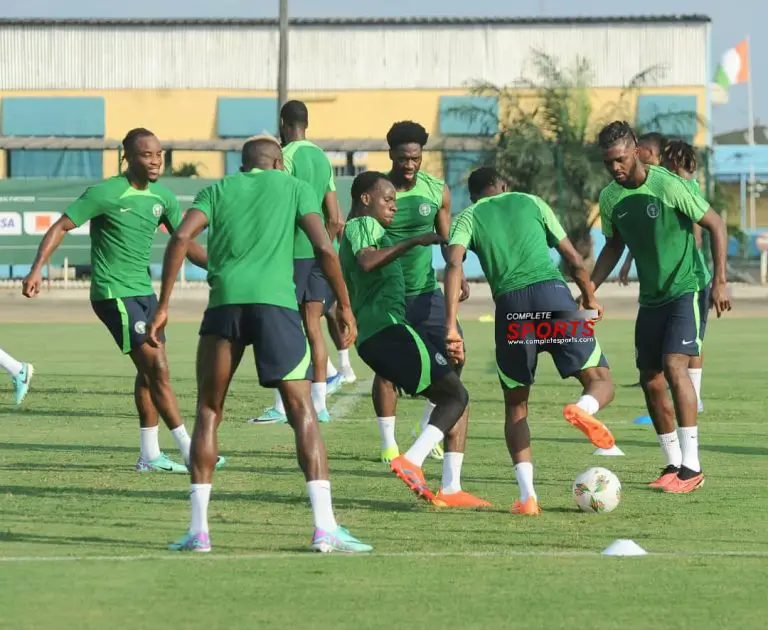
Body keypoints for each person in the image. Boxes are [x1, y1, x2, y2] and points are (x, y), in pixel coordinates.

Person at [147, 136, 371, 553]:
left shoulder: (218, 189)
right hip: (276, 307)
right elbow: (324, 246)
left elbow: (180, 239)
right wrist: (344, 303)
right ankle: (324, 528)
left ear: (242, 165)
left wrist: (163, 306)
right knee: (302, 412)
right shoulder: (295, 188)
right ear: (278, 164)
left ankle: (199, 532)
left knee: (209, 411)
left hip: (225, 305)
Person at [21, 128, 217, 474]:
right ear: (128, 157)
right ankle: (192, 450)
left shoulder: (163, 198)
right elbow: (60, 227)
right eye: (146, 154)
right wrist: (37, 269)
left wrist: (220, 268)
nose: (155, 161)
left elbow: (185, 243)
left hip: (144, 293)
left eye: (159, 154)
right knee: (158, 368)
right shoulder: (105, 193)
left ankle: (149, 456)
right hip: (113, 294)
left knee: (148, 373)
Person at [444, 167, 616, 515]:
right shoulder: (532, 202)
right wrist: (589, 298)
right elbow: (574, 259)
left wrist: (451, 325)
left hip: (513, 311)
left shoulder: (468, 217)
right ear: (504, 185)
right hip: (554, 299)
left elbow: (453, 264)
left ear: (474, 196)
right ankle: (582, 409)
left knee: (516, 406)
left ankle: (528, 498)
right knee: (601, 380)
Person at [591, 121, 730, 494]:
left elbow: (716, 225)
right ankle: (673, 463)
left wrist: (719, 280)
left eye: (620, 159)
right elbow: (613, 245)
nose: (615, 168)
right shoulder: (610, 198)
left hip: (684, 289)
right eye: (608, 163)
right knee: (650, 380)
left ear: (636, 150)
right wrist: (589, 289)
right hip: (650, 299)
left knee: (674, 366)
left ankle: (692, 468)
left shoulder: (668, 185)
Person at [340, 171, 488, 508]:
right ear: (366, 199)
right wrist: (414, 241)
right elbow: (366, 261)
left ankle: (450, 487)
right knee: (456, 396)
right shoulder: (363, 224)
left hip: (382, 334)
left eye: (395, 200)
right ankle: (412, 460)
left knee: (453, 395)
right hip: (388, 331)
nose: (393, 207)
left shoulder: (368, 230)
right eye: (387, 200)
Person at [372, 120, 470, 464]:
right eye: (403, 158)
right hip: (387, 295)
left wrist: (458, 272)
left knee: (455, 354)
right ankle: (389, 445)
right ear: (391, 154)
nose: (410, 165)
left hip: (426, 293)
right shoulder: (378, 192)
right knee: (386, 369)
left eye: (415, 158)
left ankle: (429, 423)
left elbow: (447, 241)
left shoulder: (436, 190)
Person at [250, 101, 343, 424]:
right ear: (307, 123)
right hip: (320, 253)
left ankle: (280, 405)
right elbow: (335, 217)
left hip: (290, 255)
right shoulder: (322, 158)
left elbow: (275, 205)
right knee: (314, 328)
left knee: (281, 326)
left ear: (283, 123)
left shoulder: (283, 157)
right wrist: (323, 248)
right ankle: (320, 406)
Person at [661, 140, 711, 412]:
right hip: (676, 278)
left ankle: (695, 396)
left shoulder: (687, 189)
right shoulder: (673, 187)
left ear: (673, 162)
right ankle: (685, 393)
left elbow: (697, 234)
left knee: (694, 342)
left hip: (693, 277)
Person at [618, 132, 666, 286]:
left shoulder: (672, 186)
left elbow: (697, 234)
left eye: (639, 150)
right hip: (654, 282)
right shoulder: (643, 188)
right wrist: (628, 261)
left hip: (686, 281)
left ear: (651, 152)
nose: (636, 154)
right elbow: (644, 231)